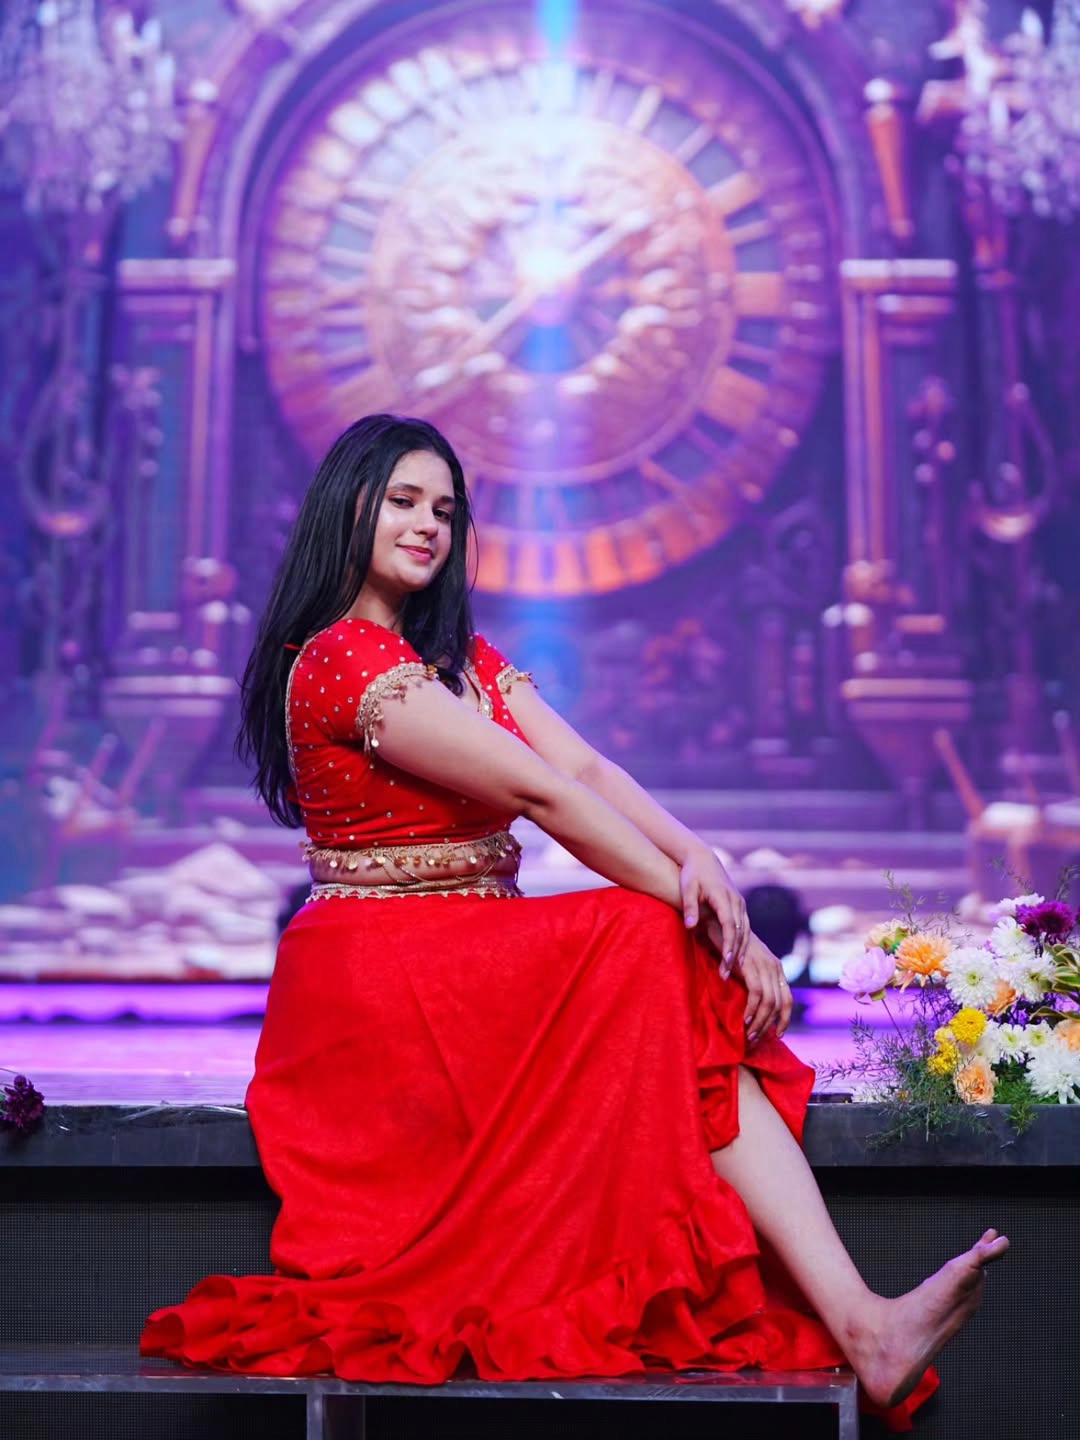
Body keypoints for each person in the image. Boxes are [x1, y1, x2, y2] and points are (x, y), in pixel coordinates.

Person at [140, 414, 1007, 1425]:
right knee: (650, 938)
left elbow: (586, 769)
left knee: (665, 952)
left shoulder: (458, 656)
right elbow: (547, 801)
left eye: (446, 510)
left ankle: (864, 1322)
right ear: (350, 507)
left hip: (465, 956)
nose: (429, 525)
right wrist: (711, 923)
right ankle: (861, 1320)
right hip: (381, 979)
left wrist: (702, 861)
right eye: (405, 502)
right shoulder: (339, 659)